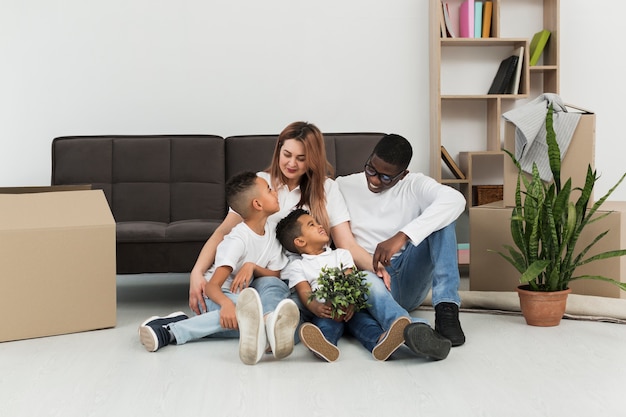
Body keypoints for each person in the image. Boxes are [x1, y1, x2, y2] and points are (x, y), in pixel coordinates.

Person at [188, 122, 354, 316]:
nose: (292, 164)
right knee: (275, 295)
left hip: (307, 276)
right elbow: (224, 232)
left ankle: (268, 321)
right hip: (266, 275)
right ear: (279, 151)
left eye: (301, 158)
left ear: (313, 159)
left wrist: (379, 269)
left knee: (299, 310)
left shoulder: (328, 188)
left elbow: (347, 244)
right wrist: (196, 272)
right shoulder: (261, 183)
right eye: (287, 155)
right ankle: (267, 322)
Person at [138, 171, 299, 366]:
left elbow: (275, 274)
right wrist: (227, 305)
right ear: (257, 204)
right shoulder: (237, 239)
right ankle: (170, 331)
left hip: (240, 298)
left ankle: (195, 321)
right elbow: (212, 286)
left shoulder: (271, 234)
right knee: (249, 316)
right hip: (213, 296)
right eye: (269, 190)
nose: (275, 192)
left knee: (252, 322)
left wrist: (253, 267)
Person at [335, 134, 467, 347]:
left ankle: (446, 309)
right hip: (373, 280)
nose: (375, 180)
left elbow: (456, 200)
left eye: (386, 178)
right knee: (364, 280)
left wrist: (403, 235)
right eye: (371, 170)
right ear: (369, 159)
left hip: (408, 277)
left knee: (443, 219)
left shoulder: (414, 184)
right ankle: (411, 328)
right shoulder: (343, 185)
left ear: (403, 174)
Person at [275, 208, 451, 362]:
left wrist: (351, 303)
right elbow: (304, 290)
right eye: (311, 225)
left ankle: (382, 341)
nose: (320, 225)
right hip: (327, 310)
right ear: (300, 242)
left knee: (365, 324)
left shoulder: (341, 255)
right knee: (325, 327)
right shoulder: (298, 266)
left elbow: (351, 280)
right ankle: (324, 346)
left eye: (316, 222)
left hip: (352, 309)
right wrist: (317, 308)